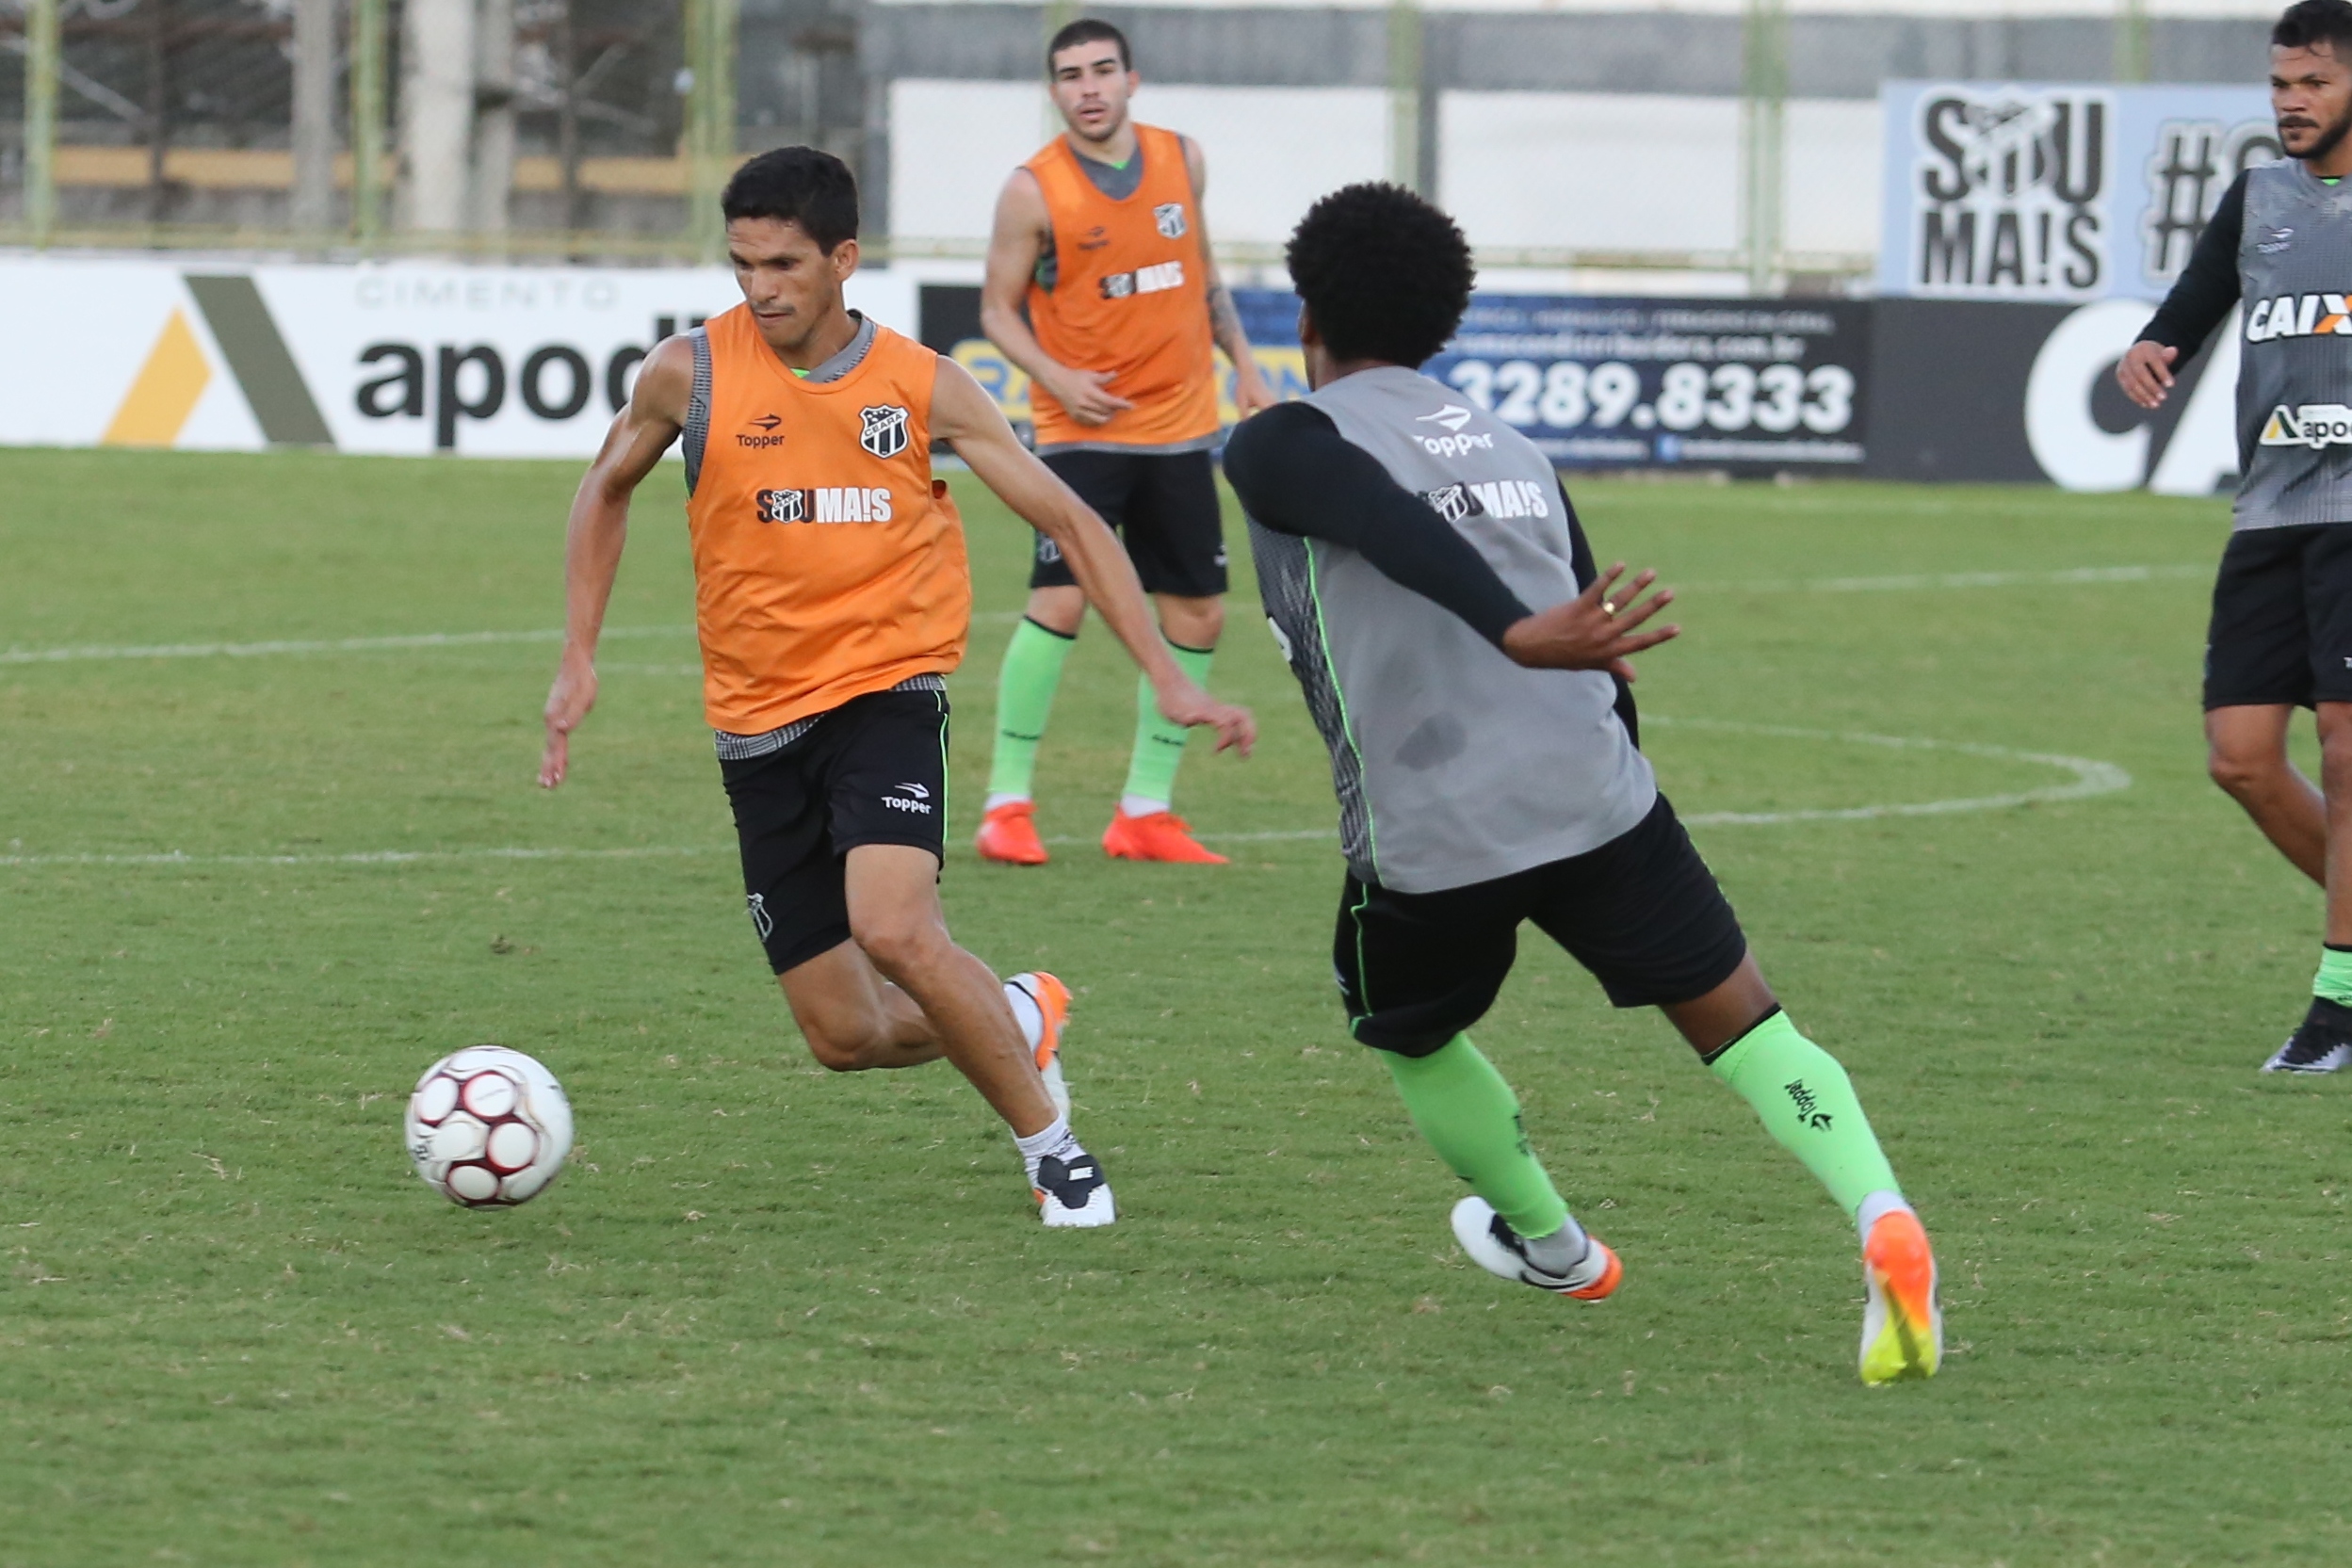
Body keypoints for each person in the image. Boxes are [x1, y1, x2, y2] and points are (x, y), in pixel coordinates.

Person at [1221, 183, 1940, 1384]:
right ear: (1442, 321)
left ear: (1307, 314)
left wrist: (1506, 632)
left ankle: (1554, 1245)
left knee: (1402, 1025)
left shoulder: (1283, 442)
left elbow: (1379, 516)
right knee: (1749, 1025)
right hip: (1600, 795)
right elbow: (1600, 642)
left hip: (1435, 831)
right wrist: (1608, 749)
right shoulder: (1514, 449)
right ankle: (1879, 1213)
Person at [536, 147, 1253, 1227]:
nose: (760, 287)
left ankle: (1055, 1154)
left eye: (783, 263)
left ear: (843, 259)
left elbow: (1068, 520)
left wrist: (1164, 672)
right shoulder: (690, 375)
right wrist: (578, 654)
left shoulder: (923, 386)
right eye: (742, 264)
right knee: (847, 1037)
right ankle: (1014, 1013)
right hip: (753, 723)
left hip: (886, 694)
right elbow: (604, 488)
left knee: (895, 930)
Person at [971, 17, 1278, 867]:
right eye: (1071, 75)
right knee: (1061, 598)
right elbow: (996, 308)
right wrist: (1057, 379)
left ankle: (1144, 812)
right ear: (1054, 92)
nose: (1089, 87)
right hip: (1080, 432)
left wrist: (1245, 368)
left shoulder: (1184, 159)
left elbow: (1202, 274)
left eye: (1103, 70)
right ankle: (1006, 804)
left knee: (1199, 614)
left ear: (1131, 79)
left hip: (1181, 427)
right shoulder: (1032, 190)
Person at [2120, 0, 2352, 1073]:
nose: (2290, 103)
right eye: (2279, 85)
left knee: (2346, 758)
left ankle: (2337, 1005)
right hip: (2271, 511)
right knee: (2243, 760)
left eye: (2312, 83)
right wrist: (2151, 349)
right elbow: (2188, 310)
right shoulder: (2257, 198)